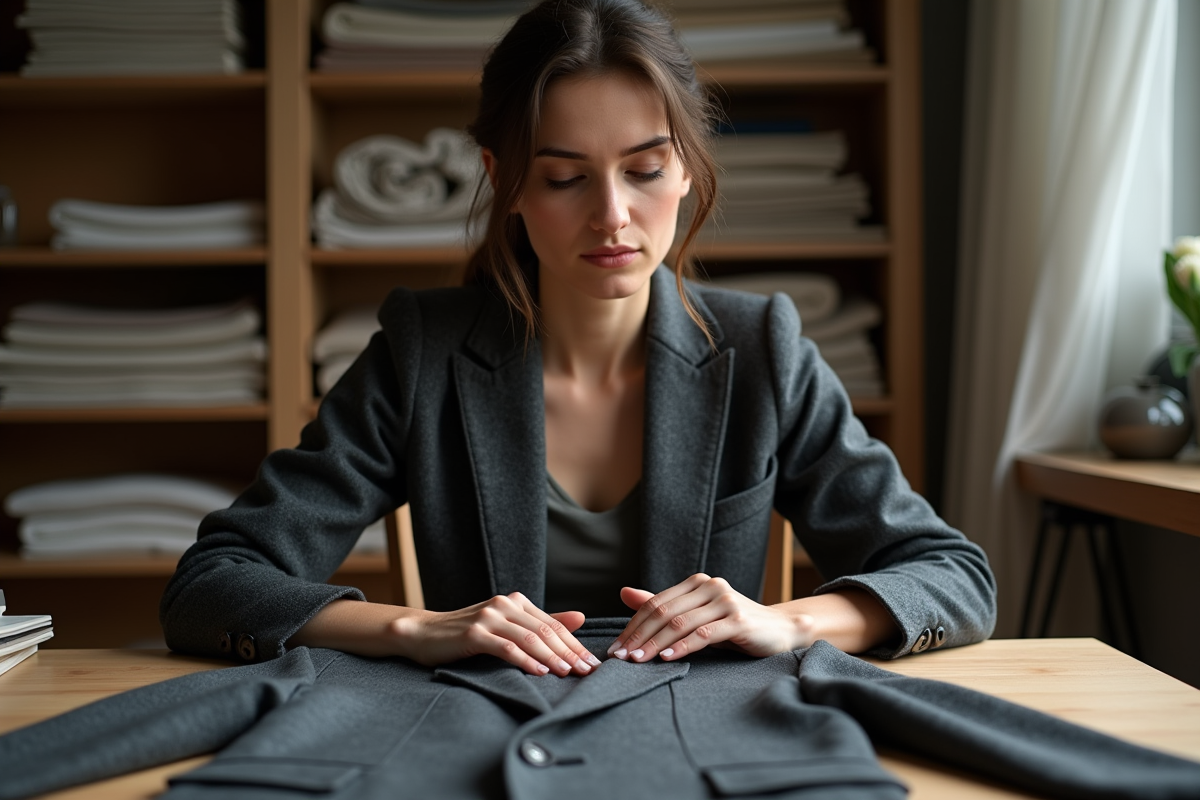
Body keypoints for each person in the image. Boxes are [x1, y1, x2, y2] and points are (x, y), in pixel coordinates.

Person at [160, 0, 996, 678]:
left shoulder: (762, 349)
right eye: (565, 177)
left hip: (706, 742)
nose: (612, 215)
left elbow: (952, 576)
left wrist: (786, 621)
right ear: (505, 180)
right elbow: (213, 584)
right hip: (478, 738)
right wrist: (414, 629)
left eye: (645, 169)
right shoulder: (424, 356)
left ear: (687, 168)